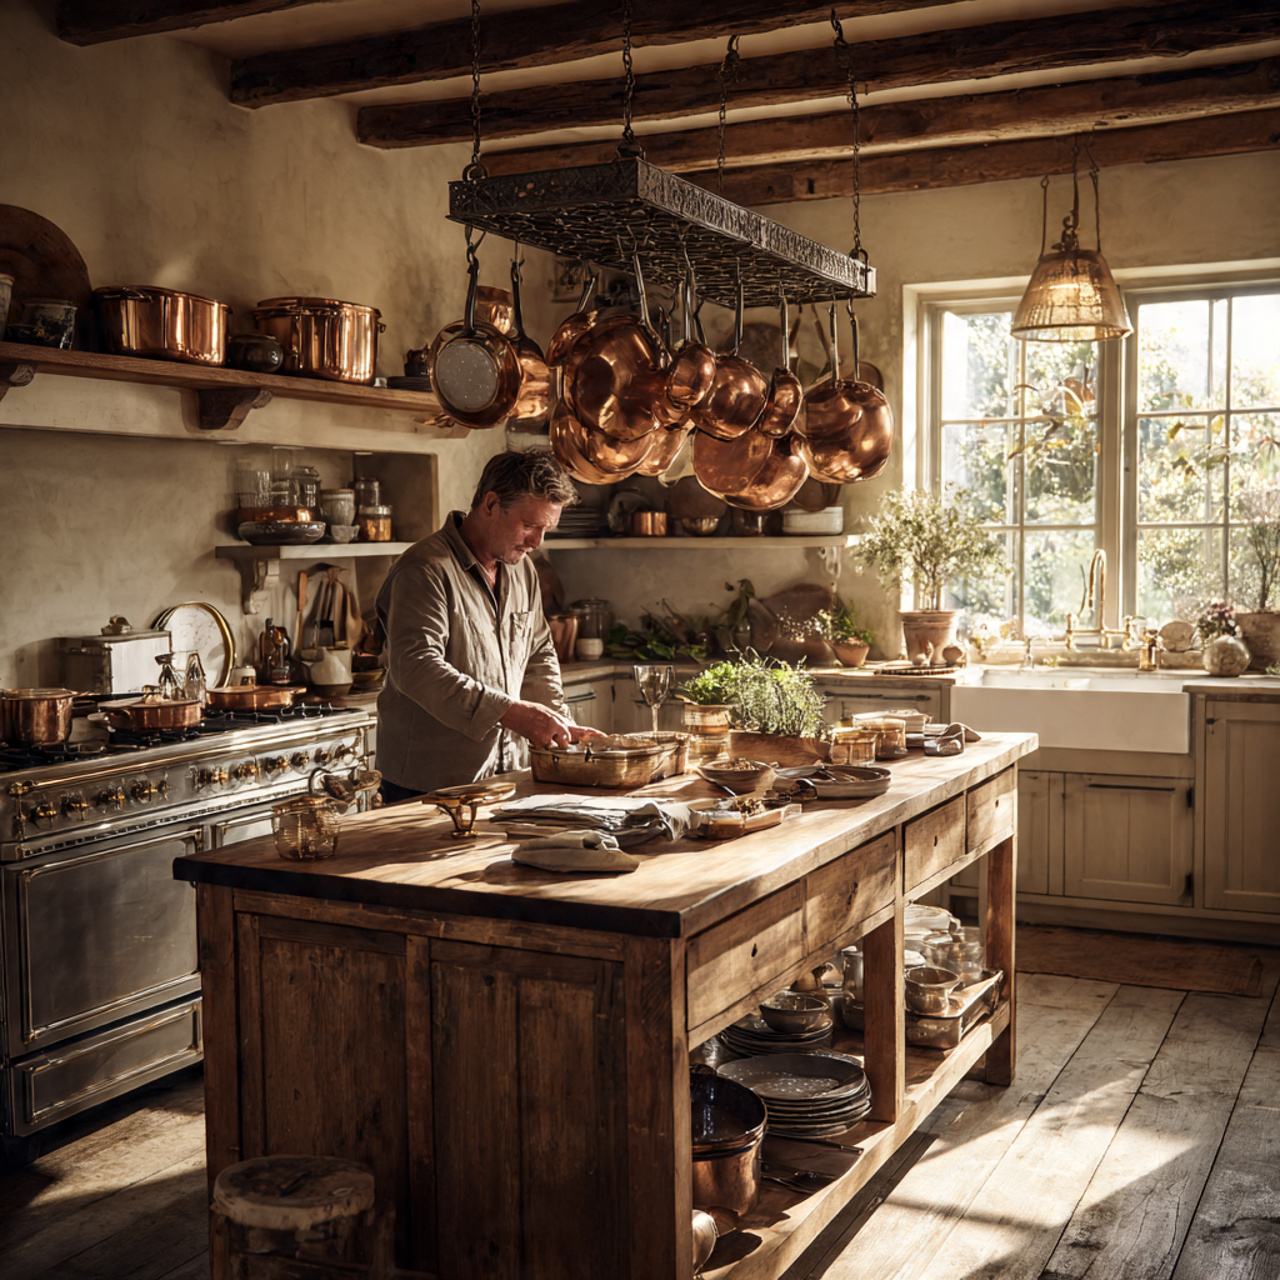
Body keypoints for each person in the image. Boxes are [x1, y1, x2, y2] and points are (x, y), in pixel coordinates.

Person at [375, 448, 604, 802]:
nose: (537, 542)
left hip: (505, 774)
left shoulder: (522, 569)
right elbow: (415, 668)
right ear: (491, 504)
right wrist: (511, 713)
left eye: (546, 529)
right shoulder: (424, 569)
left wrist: (559, 723)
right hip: (430, 784)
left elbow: (538, 650)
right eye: (530, 525)